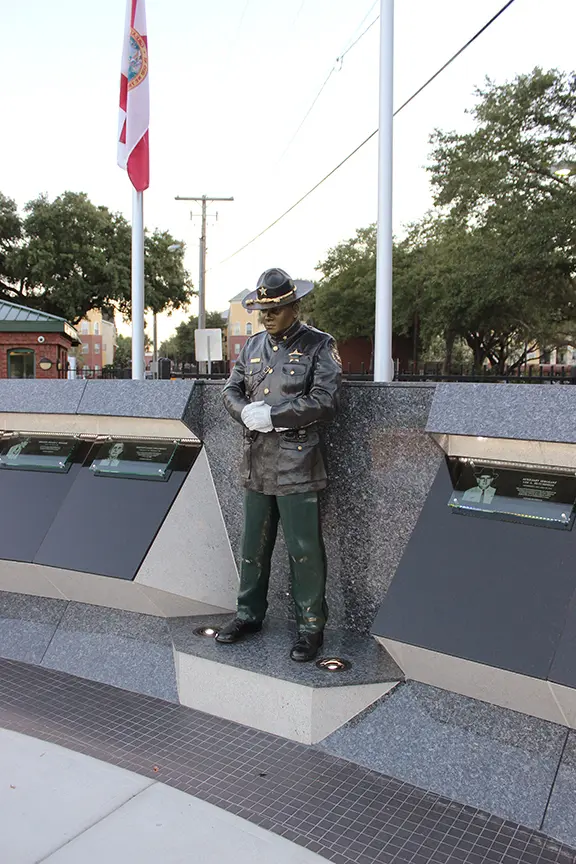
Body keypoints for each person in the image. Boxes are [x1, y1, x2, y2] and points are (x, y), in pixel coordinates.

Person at [216, 267, 342, 662]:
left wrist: (275, 415)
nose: (267, 316)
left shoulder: (320, 345)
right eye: (262, 310)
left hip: (296, 461)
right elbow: (230, 388)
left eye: (276, 308)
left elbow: (326, 399)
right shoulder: (253, 347)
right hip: (256, 460)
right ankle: (248, 614)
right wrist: (243, 412)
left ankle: (310, 627)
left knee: (304, 549)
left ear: (294, 306)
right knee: (252, 545)